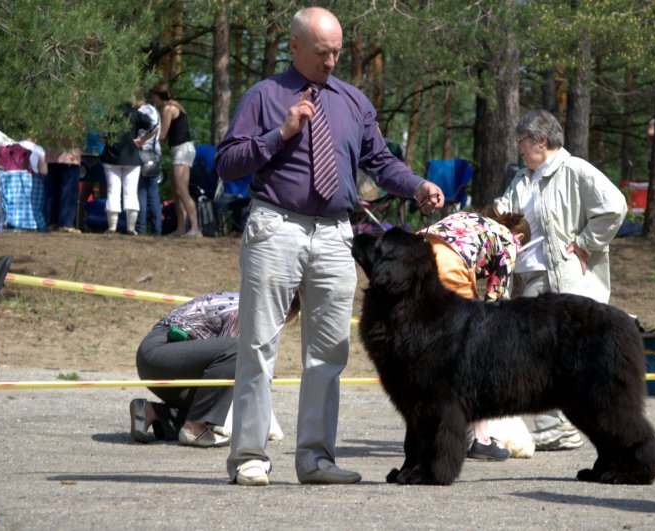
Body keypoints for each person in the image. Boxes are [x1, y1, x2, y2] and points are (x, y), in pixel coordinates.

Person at [215, 6, 444, 486]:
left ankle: (316, 459)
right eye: (322, 52)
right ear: (295, 47)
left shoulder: (354, 102)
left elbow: (381, 162)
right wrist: (280, 135)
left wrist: (417, 186)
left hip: (337, 234)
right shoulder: (264, 96)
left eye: (338, 51)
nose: (332, 61)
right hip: (276, 226)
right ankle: (250, 459)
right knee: (258, 345)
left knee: (328, 353)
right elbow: (228, 163)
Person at [493, 109, 627, 451]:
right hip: (523, 279)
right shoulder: (524, 177)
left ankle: (555, 427)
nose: (518, 147)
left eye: (522, 140)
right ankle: (561, 425)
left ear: (540, 140)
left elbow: (615, 206)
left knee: (542, 355)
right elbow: (502, 214)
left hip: (554, 279)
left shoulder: (576, 170)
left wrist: (584, 243)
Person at [419, 209, 531, 461]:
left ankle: (430, 431)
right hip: (448, 269)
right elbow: (495, 301)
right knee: (474, 361)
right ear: (520, 236)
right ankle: (481, 439)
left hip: (417, 258)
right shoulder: (509, 239)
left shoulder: (475, 221)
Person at [130, 291, 300, 447]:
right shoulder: (247, 312)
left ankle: (152, 412)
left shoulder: (251, 300)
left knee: (217, 405)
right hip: (159, 354)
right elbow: (234, 365)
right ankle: (194, 426)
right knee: (240, 352)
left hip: (164, 360)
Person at [150, 81, 201, 238]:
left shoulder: (168, 108)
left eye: (154, 97)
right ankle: (180, 229)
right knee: (176, 191)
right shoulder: (175, 105)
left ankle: (195, 228)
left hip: (182, 150)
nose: (153, 100)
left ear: (159, 96)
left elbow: (163, 134)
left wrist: (145, 141)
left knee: (183, 190)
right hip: (180, 150)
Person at [100, 102, 153, 235]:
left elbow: (101, 133)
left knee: (113, 191)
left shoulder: (111, 112)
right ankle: (131, 228)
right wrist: (142, 140)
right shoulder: (136, 113)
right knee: (131, 193)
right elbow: (153, 125)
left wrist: (106, 139)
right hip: (132, 156)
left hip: (112, 156)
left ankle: (112, 227)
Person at [135, 99, 163, 236]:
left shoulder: (141, 111)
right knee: (153, 193)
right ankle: (157, 229)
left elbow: (153, 128)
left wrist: (141, 140)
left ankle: (141, 228)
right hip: (155, 154)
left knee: (141, 192)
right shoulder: (154, 110)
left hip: (143, 153)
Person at [44, 145, 82, 233]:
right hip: (70, 156)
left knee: (52, 191)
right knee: (69, 191)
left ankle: (52, 222)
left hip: (52, 154)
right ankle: (66, 224)